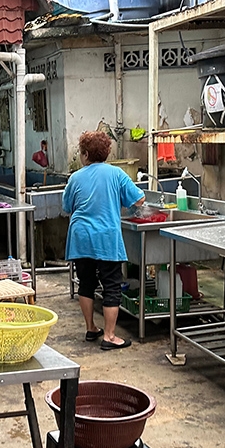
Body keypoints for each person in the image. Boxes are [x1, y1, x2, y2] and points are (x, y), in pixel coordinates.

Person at [62, 130, 145, 351]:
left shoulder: (75, 178)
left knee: (86, 283)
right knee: (111, 286)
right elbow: (139, 199)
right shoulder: (116, 174)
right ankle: (109, 336)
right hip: (106, 237)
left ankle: (91, 328)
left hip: (81, 237)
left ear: (86, 154)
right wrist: (119, 202)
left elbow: (67, 206)